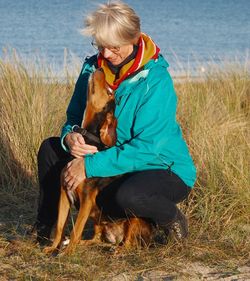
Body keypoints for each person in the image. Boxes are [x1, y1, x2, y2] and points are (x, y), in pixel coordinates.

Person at [33, 1, 196, 245]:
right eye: (100, 46)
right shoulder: (92, 67)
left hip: (159, 166)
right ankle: (47, 230)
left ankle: (171, 218)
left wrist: (88, 166)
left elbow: (146, 148)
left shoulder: (156, 81)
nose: (106, 54)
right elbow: (74, 116)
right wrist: (70, 137)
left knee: (129, 196)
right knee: (50, 149)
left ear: (133, 38)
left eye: (114, 47)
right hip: (113, 161)